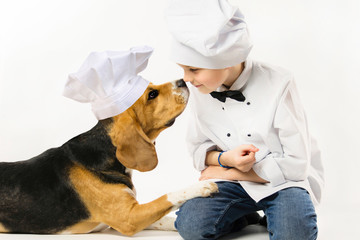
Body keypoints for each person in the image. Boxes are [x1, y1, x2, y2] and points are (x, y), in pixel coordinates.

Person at [165, 0, 324, 239]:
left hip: (284, 183)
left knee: (295, 234)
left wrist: (231, 172)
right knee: (190, 225)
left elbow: (296, 164)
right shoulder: (203, 89)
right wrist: (225, 158)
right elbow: (198, 150)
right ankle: (242, 214)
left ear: (226, 61)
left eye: (193, 69)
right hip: (234, 185)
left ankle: (274, 212)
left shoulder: (280, 83)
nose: (187, 79)